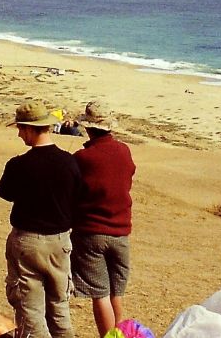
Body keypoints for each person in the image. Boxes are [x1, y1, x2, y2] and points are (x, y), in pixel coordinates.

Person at [0, 102, 84, 338]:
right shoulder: (69, 161)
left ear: (29, 129)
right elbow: (78, 196)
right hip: (60, 242)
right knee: (59, 306)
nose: (19, 134)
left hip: (28, 241)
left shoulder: (18, 164)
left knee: (30, 309)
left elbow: (4, 192)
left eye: (20, 129)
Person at [71, 102, 136, 337]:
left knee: (100, 294)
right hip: (121, 232)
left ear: (88, 128)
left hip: (91, 231)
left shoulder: (83, 157)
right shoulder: (123, 151)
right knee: (116, 293)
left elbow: (73, 189)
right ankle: (118, 334)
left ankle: (109, 336)